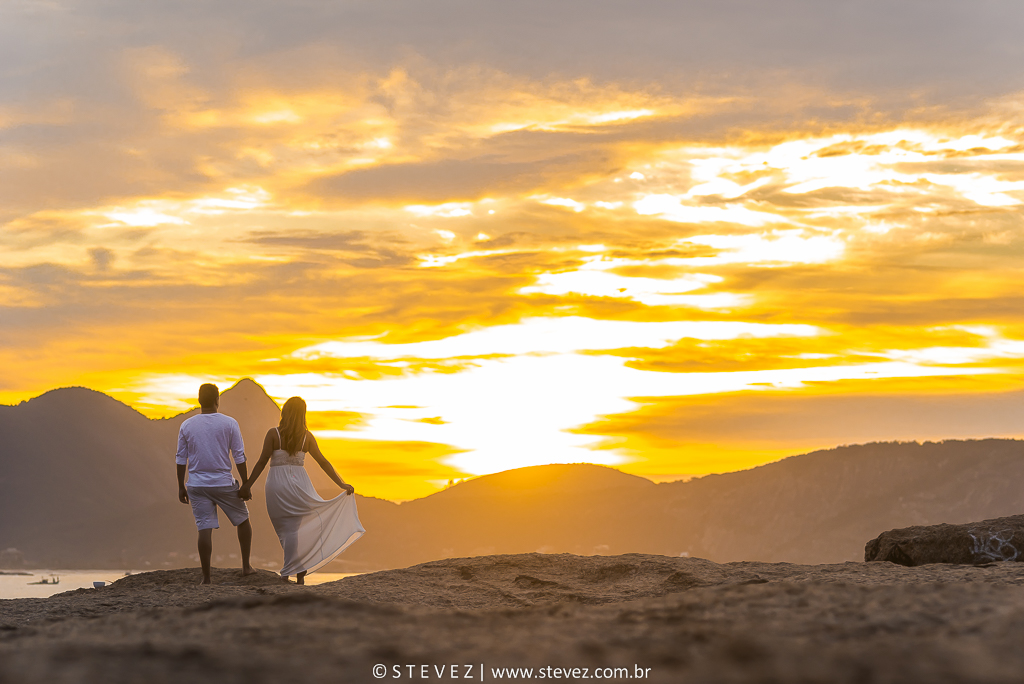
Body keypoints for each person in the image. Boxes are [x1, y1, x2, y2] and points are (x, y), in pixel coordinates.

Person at [240, 396, 364, 584]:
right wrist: (341, 484)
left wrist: (247, 485)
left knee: (286, 530)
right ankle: (298, 573)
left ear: (285, 412)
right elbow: (323, 462)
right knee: (296, 529)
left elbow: (262, 462)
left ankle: (288, 571)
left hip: (277, 485)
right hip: (300, 485)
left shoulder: (273, 434)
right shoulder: (307, 437)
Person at [175, 383, 255, 585]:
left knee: (204, 528)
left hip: (197, 485)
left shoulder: (187, 425)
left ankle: (206, 577)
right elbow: (239, 456)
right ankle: (246, 566)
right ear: (217, 400)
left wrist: (181, 486)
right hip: (223, 483)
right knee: (243, 520)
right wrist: (245, 483)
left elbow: (180, 459)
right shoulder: (229, 423)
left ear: (199, 400)